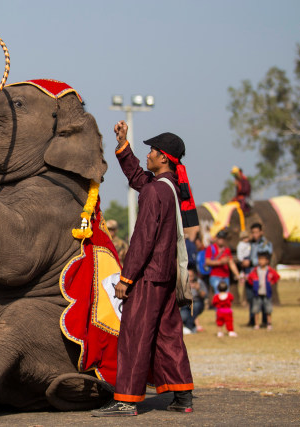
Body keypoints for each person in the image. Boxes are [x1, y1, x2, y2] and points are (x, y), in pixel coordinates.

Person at [92, 122, 196, 417]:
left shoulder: (154, 194)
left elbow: (142, 240)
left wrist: (126, 278)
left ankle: (127, 399)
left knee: (135, 335)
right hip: (166, 277)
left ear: (164, 158)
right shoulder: (168, 188)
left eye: (151, 151)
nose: (148, 154)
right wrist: (123, 146)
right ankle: (183, 396)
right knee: (168, 335)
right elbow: (139, 177)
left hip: (148, 277)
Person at [247, 251, 280, 330]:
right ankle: (256, 324)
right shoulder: (255, 270)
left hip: (267, 293)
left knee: (268, 309)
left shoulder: (270, 270)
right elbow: (249, 278)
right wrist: (254, 284)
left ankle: (269, 324)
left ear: (267, 261)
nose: (261, 261)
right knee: (256, 309)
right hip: (257, 293)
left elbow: (277, 277)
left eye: (263, 260)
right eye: (260, 260)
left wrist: (271, 282)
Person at [249, 223, 272, 326]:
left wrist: (250, 262)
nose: (254, 234)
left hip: (262, 274)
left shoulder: (265, 244)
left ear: (261, 232)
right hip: (253, 274)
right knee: (253, 298)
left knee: (264, 300)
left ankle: (265, 321)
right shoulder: (252, 244)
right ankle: (253, 320)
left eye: (256, 232)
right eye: (253, 232)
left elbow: (265, 257)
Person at [181, 268, 207, 334]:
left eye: (191, 276)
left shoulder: (199, 282)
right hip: (186, 302)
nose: (190, 278)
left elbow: (204, 295)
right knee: (182, 316)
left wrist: (198, 289)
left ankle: (189, 327)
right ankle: (193, 327)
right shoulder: (182, 282)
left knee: (194, 308)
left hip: (197, 301)